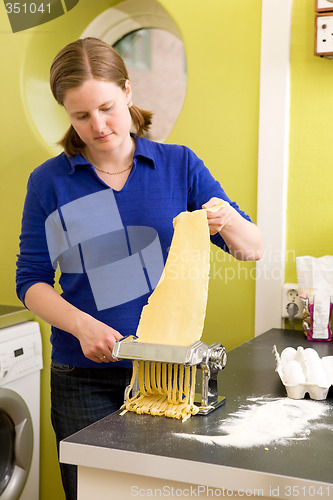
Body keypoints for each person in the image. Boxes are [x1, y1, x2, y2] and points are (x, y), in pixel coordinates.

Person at [16, 37, 263, 500]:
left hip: (170, 373)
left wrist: (226, 218)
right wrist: (83, 327)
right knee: (93, 493)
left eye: (107, 107)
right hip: (81, 377)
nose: (99, 125)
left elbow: (252, 250)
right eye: (81, 116)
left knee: (160, 494)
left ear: (128, 91)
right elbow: (29, 280)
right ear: (65, 114)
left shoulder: (178, 165)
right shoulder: (49, 181)